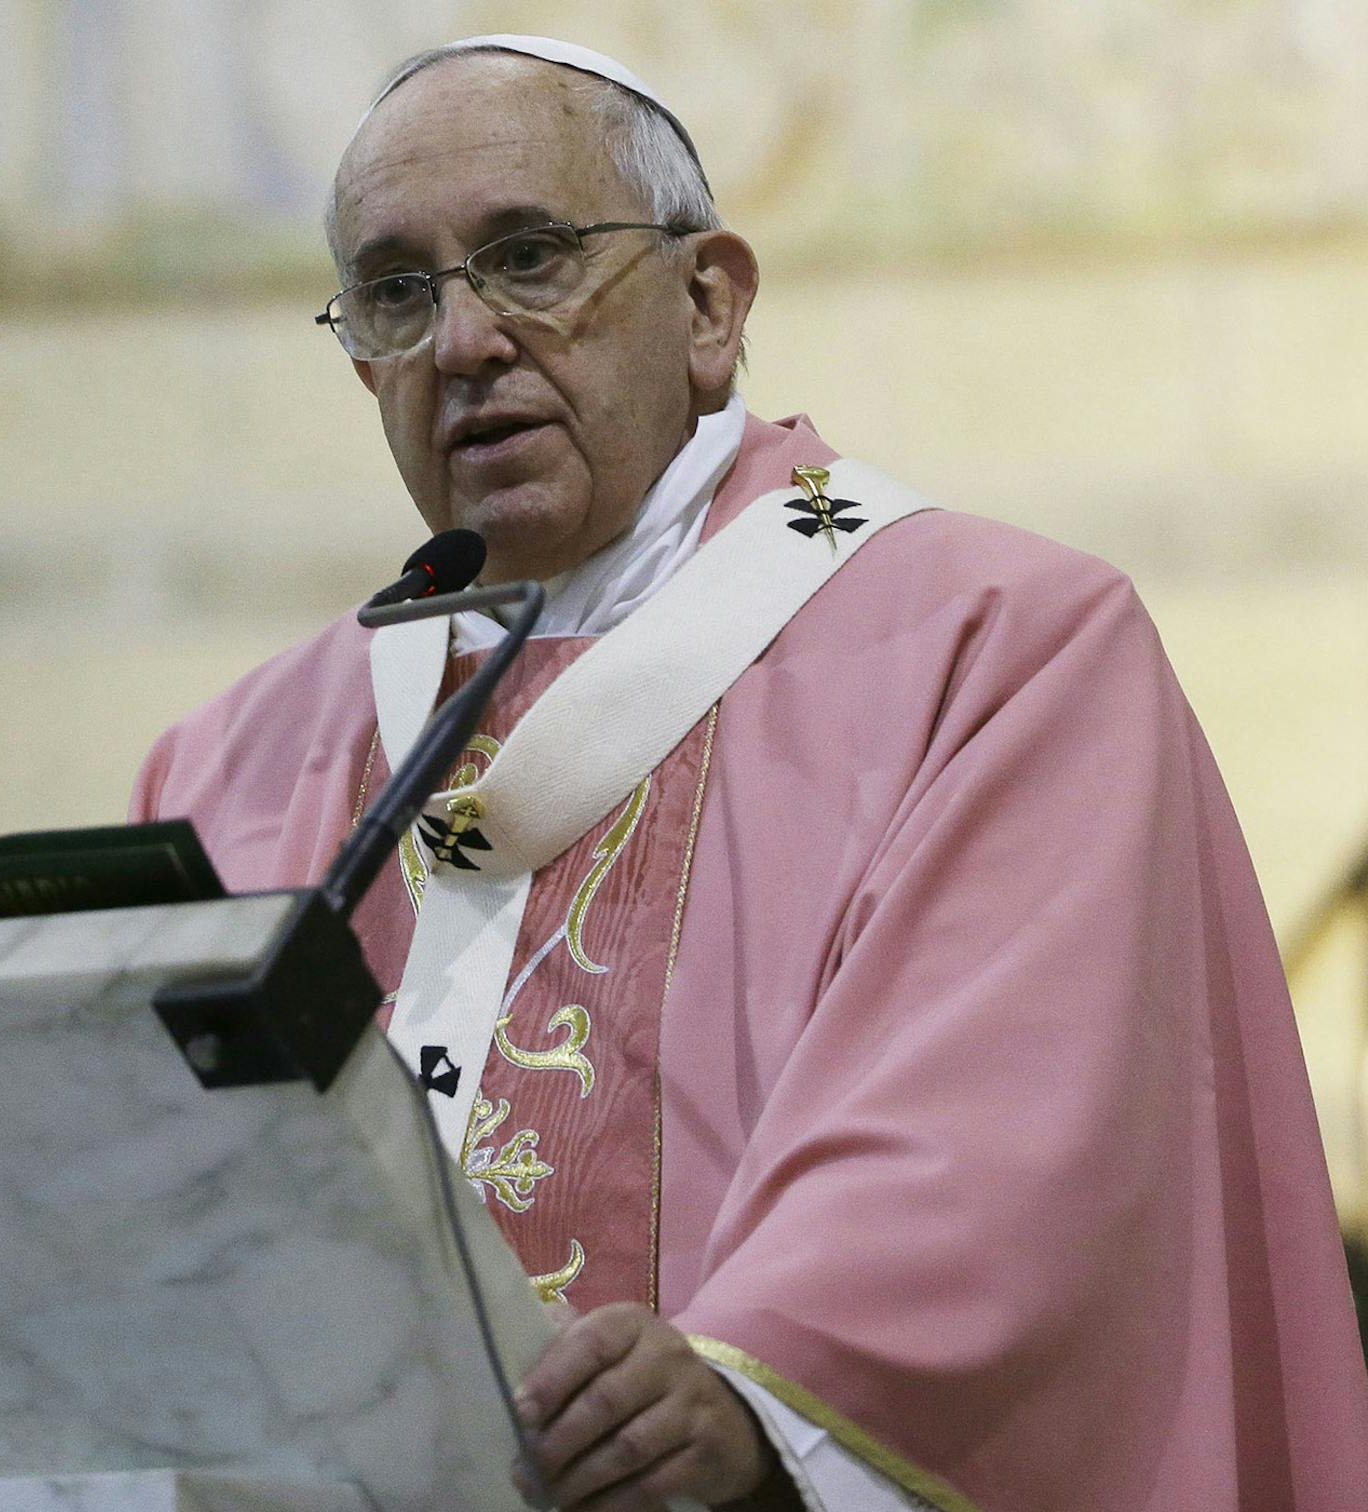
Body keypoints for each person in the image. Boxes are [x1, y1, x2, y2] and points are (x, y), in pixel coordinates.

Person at [130, 34, 1368, 1512]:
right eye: (398, 291)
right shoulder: (238, 761)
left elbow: (1009, 1139)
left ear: (710, 304)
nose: (461, 342)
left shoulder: (998, 653)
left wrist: (762, 1389)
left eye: (530, 258)